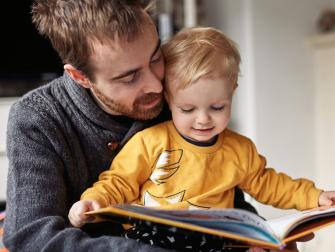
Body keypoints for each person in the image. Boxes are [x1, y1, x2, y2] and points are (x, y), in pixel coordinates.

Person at [4, 1, 256, 251]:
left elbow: (225, 194)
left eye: (156, 58)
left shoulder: (180, 99)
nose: (157, 86)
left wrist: (255, 238)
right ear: (80, 77)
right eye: (130, 77)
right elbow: (32, 236)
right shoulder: (37, 118)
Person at [68, 27, 335, 251]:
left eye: (217, 107)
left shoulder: (240, 149)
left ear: (232, 93)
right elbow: (119, 182)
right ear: (168, 98)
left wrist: (315, 197)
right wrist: (94, 202)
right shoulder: (151, 141)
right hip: (153, 235)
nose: (203, 119)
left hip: (214, 237)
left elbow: (269, 183)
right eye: (187, 109)